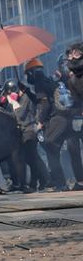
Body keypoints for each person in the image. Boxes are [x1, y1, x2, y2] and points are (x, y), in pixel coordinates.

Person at [27, 57, 76, 191]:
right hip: (65, 118)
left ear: (31, 72)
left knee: (50, 147)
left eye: (27, 74)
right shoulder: (47, 80)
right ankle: (64, 181)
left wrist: (40, 122)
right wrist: (26, 91)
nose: (27, 77)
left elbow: (44, 103)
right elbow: (42, 100)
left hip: (57, 119)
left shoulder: (38, 83)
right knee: (58, 149)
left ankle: (60, 183)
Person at [0, 80, 50, 191]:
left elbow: (20, 114)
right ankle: (36, 181)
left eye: (10, 92)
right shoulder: (15, 100)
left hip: (30, 130)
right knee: (27, 158)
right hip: (21, 131)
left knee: (32, 158)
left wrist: (12, 102)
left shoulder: (26, 98)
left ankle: (39, 181)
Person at [57, 45, 83, 190]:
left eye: (75, 55)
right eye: (69, 58)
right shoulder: (68, 80)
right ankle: (80, 180)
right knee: (73, 149)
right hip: (74, 118)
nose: (71, 60)